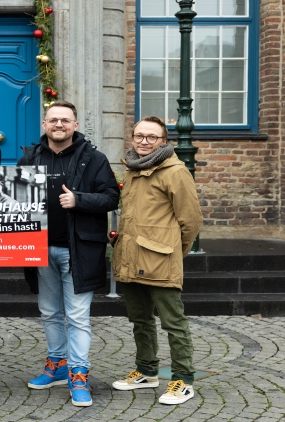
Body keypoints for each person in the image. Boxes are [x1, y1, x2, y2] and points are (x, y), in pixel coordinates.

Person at [17, 100, 119, 407]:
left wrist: (80, 200)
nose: (59, 124)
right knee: (49, 312)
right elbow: (11, 199)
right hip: (40, 249)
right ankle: (57, 364)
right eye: (53, 120)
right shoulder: (29, 157)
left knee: (76, 316)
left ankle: (79, 373)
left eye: (65, 120)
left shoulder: (94, 158)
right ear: (45, 125)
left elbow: (112, 196)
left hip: (80, 250)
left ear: (75, 126)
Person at [111, 115, 202, 405]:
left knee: (173, 322)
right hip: (131, 256)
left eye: (151, 137)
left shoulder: (175, 171)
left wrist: (174, 251)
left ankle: (184, 379)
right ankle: (147, 370)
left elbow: (191, 221)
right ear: (133, 137)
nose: (144, 141)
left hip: (160, 259)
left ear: (163, 141)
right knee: (139, 320)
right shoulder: (132, 169)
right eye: (139, 136)